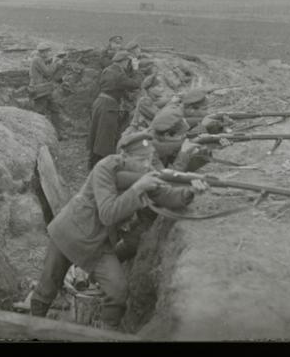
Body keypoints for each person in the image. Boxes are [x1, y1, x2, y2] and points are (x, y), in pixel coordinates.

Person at [30, 131, 206, 330]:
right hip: (70, 232)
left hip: (98, 243)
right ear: (125, 157)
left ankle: (105, 332)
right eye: (141, 159)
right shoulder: (105, 168)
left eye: (149, 158)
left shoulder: (144, 174)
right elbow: (108, 213)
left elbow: (166, 196)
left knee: (118, 291)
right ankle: (32, 330)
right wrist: (138, 188)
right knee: (47, 286)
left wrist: (190, 192)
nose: (147, 165)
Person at [88, 51, 141, 170]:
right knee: (105, 140)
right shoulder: (118, 74)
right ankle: (102, 169)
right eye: (128, 62)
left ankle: (92, 166)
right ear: (124, 61)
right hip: (108, 106)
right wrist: (136, 69)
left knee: (96, 136)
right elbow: (135, 84)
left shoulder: (108, 70)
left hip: (99, 103)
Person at [29, 42, 68, 139]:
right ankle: (38, 136)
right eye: (46, 52)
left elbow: (47, 64)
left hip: (46, 90)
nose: (47, 54)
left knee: (55, 110)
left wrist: (55, 60)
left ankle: (58, 134)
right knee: (39, 113)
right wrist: (55, 63)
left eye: (48, 52)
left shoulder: (41, 59)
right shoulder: (37, 60)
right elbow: (48, 73)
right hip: (40, 91)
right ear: (42, 52)